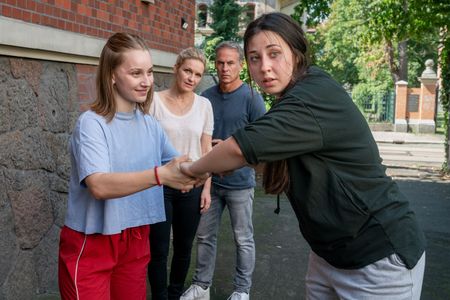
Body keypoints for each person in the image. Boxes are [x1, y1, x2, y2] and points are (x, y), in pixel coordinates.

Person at [181, 13, 426, 300]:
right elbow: (271, 157)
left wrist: (192, 170)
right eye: (255, 58)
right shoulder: (295, 94)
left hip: (379, 256)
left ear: (296, 54)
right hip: (328, 254)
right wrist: (233, 159)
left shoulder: (311, 95)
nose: (265, 67)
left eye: (274, 54)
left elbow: (240, 147)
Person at [58, 32, 196, 300]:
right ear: (111, 74)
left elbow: (181, 166)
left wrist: (226, 156)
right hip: (93, 240)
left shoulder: (149, 124)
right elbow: (98, 184)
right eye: (136, 73)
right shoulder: (91, 124)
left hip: (135, 238)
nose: (147, 82)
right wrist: (161, 175)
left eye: (150, 72)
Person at [181, 41, 266, 300]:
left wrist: (230, 148)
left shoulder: (252, 97)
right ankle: (201, 286)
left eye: (230, 63)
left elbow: (262, 140)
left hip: (240, 182)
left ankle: (242, 290)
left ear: (240, 65)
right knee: (205, 236)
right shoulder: (205, 97)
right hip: (209, 183)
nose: (225, 68)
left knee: (243, 238)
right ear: (215, 64)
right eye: (220, 62)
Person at [147, 47, 214, 300]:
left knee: (184, 247)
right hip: (160, 186)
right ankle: (160, 297)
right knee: (159, 249)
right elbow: (146, 145)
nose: (191, 78)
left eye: (197, 75)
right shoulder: (154, 101)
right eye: (187, 71)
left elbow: (207, 150)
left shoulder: (205, 105)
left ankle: (175, 295)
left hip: (193, 187)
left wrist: (207, 188)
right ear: (176, 68)